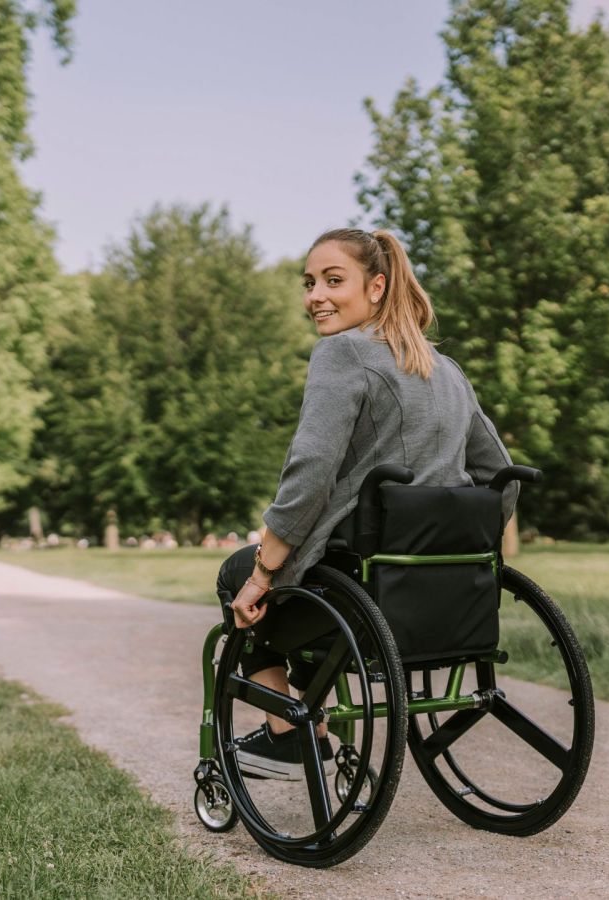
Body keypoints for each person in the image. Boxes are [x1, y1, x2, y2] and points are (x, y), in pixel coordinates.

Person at [216, 228, 518, 779]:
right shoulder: (444, 370)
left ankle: (289, 735)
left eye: (334, 281)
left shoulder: (342, 353)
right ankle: (318, 720)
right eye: (309, 283)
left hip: (362, 590)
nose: (315, 297)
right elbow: (501, 477)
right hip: (445, 597)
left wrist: (262, 572)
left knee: (236, 573)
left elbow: (309, 475)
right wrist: (459, 552)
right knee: (305, 577)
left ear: (376, 287)